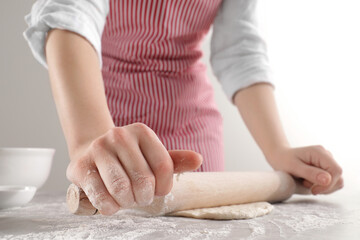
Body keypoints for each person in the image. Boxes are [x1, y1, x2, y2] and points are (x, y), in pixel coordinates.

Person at [24, 0, 343, 215]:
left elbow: (240, 51)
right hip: (111, 120)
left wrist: (278, 150)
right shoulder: (103, 135)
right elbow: (70, 13)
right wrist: (90, 139)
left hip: (194, 127)